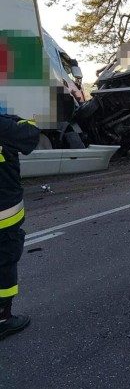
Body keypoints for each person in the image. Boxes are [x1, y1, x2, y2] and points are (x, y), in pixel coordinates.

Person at [0, 114, 40, 340]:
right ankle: (3, 319)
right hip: (4, 213)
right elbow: (30, 137)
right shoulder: (5, 127)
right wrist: (29, 117)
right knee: (4, 261)